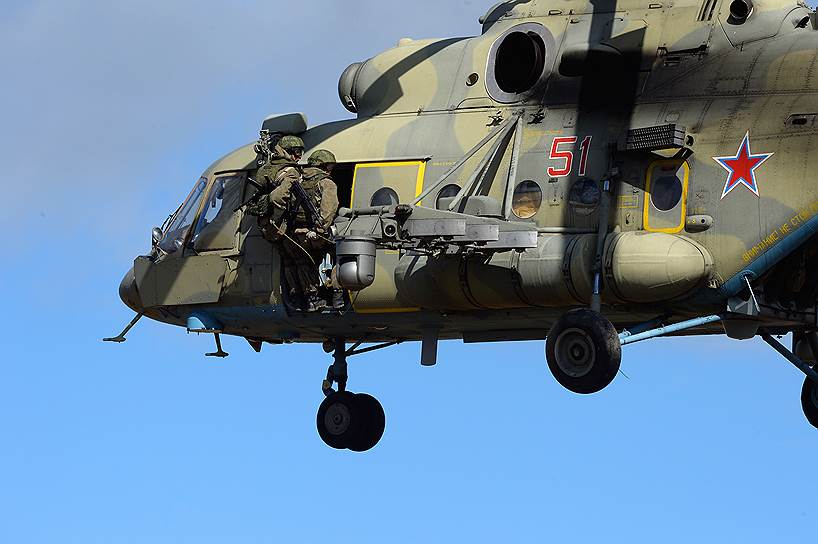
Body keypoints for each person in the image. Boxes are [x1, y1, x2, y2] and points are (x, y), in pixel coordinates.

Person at [278, 149, 341, 312]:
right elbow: (328, 210)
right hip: (315, 233)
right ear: (323, 165)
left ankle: (308, 298)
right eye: (329, 166)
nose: (330, 170)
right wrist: (319, 230)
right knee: (341, 255)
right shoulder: (327, 183)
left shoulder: (297, 179)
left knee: (301, 262)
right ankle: (337, 296)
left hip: (295, 233)